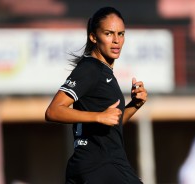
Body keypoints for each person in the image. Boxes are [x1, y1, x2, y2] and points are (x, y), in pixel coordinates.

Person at [45, 7, 147, 184]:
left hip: (91, 165)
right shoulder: (90, 69)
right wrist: (99, 116)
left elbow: (112, 123)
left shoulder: (104, 73)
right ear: (93, 37)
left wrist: (134, 105)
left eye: (121, 34)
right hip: (102, 164)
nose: (116, 41)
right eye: (109, 33)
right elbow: (53, 111)